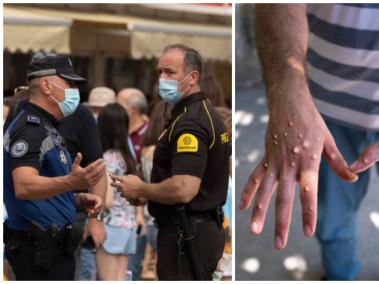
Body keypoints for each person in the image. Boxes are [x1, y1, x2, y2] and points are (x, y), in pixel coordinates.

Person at [239, 4, 379, 280]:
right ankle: (340, 275)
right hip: (323, 114)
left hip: (322, 108)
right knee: (329, 220)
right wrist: (286, 92)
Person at [110, 44, 230, 280]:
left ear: (193, 77)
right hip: (193, 230)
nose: (162, 78)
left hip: (187, 235)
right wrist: (150, 194)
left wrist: (141, 188)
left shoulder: (191, 122)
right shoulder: (196, 113)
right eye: (160, 72)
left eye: (169, 72)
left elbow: (184, 189)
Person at [3, 55, 106, 280]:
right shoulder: (31, 128)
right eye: (69, 83)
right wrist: (71, 183)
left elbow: (43, 185)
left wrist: (75, 197)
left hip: (51, 248)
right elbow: (24, 185)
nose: (74, 90)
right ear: (46, 86)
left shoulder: (46, 126)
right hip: (38, 248)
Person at [94, 103, 140, 280]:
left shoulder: (105, 159)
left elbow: (107, 201)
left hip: (109, 226)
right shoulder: (127, 158)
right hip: (128, 226)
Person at [116, 88, 149, 164]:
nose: (114, 109)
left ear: (133, 109)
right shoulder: (116, 130)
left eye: (118, 105)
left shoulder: (149, 134)